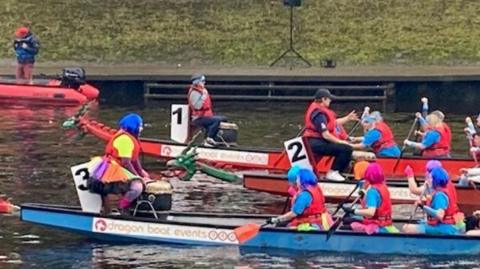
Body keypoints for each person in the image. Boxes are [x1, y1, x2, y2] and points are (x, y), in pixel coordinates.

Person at [88, 113, 150, 215]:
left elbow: (134, 159)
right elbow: (126, 162)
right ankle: (121, 206)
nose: (141, 128)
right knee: (137, 187)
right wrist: (137, 177)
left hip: (120, 166)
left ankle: (126, 207)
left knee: (142, 179)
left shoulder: (130, 138)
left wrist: (142, 172)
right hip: (113, 168)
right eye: (140, 126)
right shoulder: (125, 139)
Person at [303, 88, 358, 181]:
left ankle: (338, 172)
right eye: (329, 99)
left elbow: (333, 123)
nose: (331, 100)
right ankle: (333, 172)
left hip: (318, 141)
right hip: (315, 143)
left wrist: (348, 118)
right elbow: (325, 134)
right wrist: (340, 141)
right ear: (323, 99)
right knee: (346, 149)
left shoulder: (321, 111)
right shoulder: (318, 113)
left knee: (345, 148)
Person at [340, 163, 399, 234]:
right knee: (349, 219)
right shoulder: (383, 186)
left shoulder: (372, 192)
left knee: (346, 223)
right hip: (386, 223)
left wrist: (353, 211)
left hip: (377, 225)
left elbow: (370, 213)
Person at [402, 167, 463, 235]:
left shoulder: (440, 195)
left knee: (407, 228)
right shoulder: (438, 191)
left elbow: (440, 215)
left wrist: (422, 206)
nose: (428, 180)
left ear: (435, 180)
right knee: (420, 223)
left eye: (430, 178)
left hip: (445, 228)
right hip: (443, 225)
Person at [268, 168, 333, 231]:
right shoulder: (315, 187)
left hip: (311, 223)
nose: (297, 181)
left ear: (302, 180)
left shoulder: (305, 195)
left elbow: (294, 213)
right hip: (320, 219)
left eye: (298, 179)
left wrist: (277, 219)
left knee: (281, 225)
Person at [187, 73, 227, 146]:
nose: (204, 82)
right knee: (216, 120)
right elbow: (197, 106)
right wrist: (203, 96)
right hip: (198, 118)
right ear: (197, 82)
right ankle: (209, 138)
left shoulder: (202, 91)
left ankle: (210, 139)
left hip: (205, 116)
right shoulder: (194, 93)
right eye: (202, 81)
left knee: (223, 119)